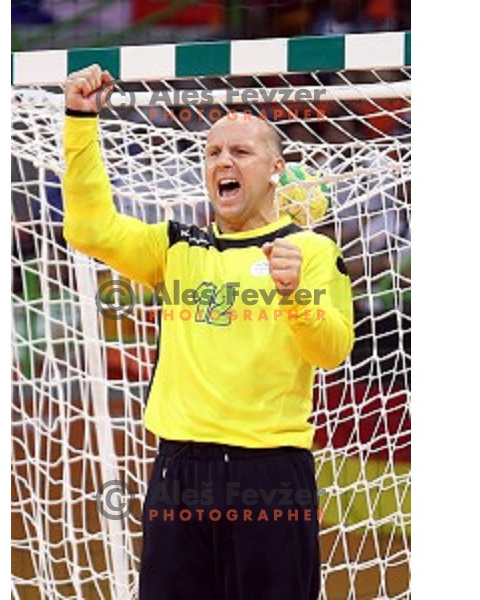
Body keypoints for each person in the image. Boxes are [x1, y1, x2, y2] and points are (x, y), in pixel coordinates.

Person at [62, 64, 354, 600]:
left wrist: (295, 299)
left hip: (269, 472)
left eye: (241, 152)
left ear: (275, 169)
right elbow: (89, 228)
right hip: (180, 470)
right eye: (214, 152)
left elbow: (332, 351)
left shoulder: (310, 251)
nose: (224, 160)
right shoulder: (176, 247)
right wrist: (81, 121)